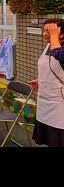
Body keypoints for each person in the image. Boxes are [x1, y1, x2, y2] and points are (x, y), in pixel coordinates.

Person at [30, 19, 64, 147]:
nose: (44, 34)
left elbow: (59, 55)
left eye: (49, 31)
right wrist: (41, 81)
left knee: (58, 140)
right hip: (45, 100)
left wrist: (54, 36)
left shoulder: (58, 48)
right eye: (44, 31)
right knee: (49, 139)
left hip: (59, 103)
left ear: (61, 34)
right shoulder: (49, 46)